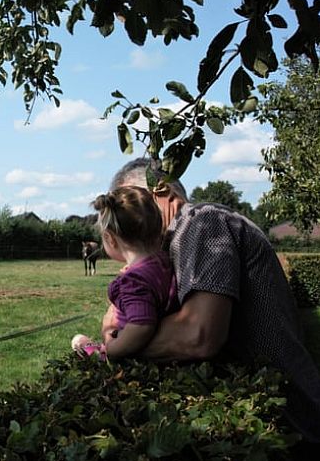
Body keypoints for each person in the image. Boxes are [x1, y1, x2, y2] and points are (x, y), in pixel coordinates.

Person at [103, 157, 320, 446]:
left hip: (293, 427)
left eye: (131, 207)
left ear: (163, 191)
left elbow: (197, 335)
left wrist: (115, 342)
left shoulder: (201, 222)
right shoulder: (171, 246)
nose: (126, 224)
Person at [72, 186, 178, 359]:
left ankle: (94, 349)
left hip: (126, 351)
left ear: (111, 240)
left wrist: (110, 352)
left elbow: (140, 326)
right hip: (151, 341)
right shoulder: (163, 261)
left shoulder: (134, 281)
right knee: (81, 340)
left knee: (78, 341)